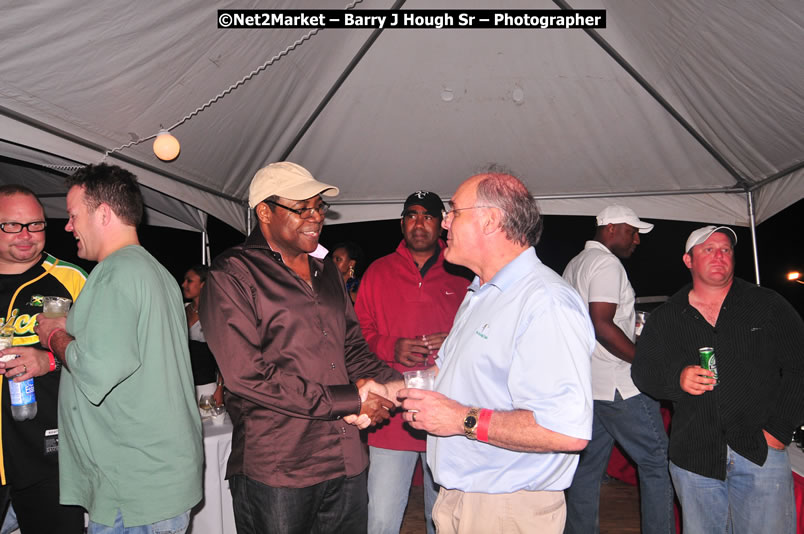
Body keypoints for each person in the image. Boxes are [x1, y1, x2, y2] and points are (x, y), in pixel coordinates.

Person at [370, 166, 595, 533]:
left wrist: (461, 419)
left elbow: (566, 430)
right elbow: (442, 375)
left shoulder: (546, 303)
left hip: (507, 508)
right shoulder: (481, 294)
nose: (445, 224)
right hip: (464, 497)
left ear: (490, 221)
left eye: (454, 212)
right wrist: (386, 391)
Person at [199, 161, 400, 534]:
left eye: (319, 207)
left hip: (346, 459)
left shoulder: (327, 274)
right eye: (301, 208)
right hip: (280, 469)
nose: (315, 217)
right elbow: (247, 376)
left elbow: (352, 347)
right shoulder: (233, 274)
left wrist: (396, 385)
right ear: (265, 212)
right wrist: (351, 401)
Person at [34, 164, 203, 533]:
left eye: (74, 215)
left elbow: (96, 368)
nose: (67, 226)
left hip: (132, 488)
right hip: (156, 479)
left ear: (104, 214)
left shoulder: (114, 273)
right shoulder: (154, 272)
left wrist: (53, 336)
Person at [631, 225, 804, 534]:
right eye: (708, 250)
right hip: (695, 458)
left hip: (761, 452)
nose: (719, 256)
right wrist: (677, 379)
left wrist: (779, 429)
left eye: (725, 250)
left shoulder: (767, 304)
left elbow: (799, 365)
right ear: (689, 260)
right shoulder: (668, 316)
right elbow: (643, 371)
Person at [354, 190, 469, 534]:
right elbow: (357, 335)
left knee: (445, 520)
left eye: (428, 216)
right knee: (381, 520)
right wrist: (391, 346)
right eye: (412, 215)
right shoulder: (378, 271)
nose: (419, 224)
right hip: (391, 417)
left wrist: (453, 340)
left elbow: (486, 333)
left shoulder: (463, 272)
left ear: (442, 224)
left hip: (447, 415)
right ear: (401, 223)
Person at [562, 205, 673, 534]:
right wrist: (645, 360)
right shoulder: (607, 264)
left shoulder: (575, 264)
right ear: (610, 228)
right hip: (619, 386)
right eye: (632, 231)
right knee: (657, 465)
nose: (636, 239)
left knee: (585, 471)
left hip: (589, 386)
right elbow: (602, 325)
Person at [0, 185, 86, 533]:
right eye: (12, 225)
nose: (26, 235)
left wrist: (49, 361)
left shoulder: (70, 279)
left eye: (35, 225)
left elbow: (106, 357)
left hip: (49, 456)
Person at [181, 264, 223, 405]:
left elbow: (224, 355)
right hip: (183, 385)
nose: (183, 284)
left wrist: (220, 387)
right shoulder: (181, 310)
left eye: (189, 281)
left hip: (207, 386)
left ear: (203, 285)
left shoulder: (215, 314)